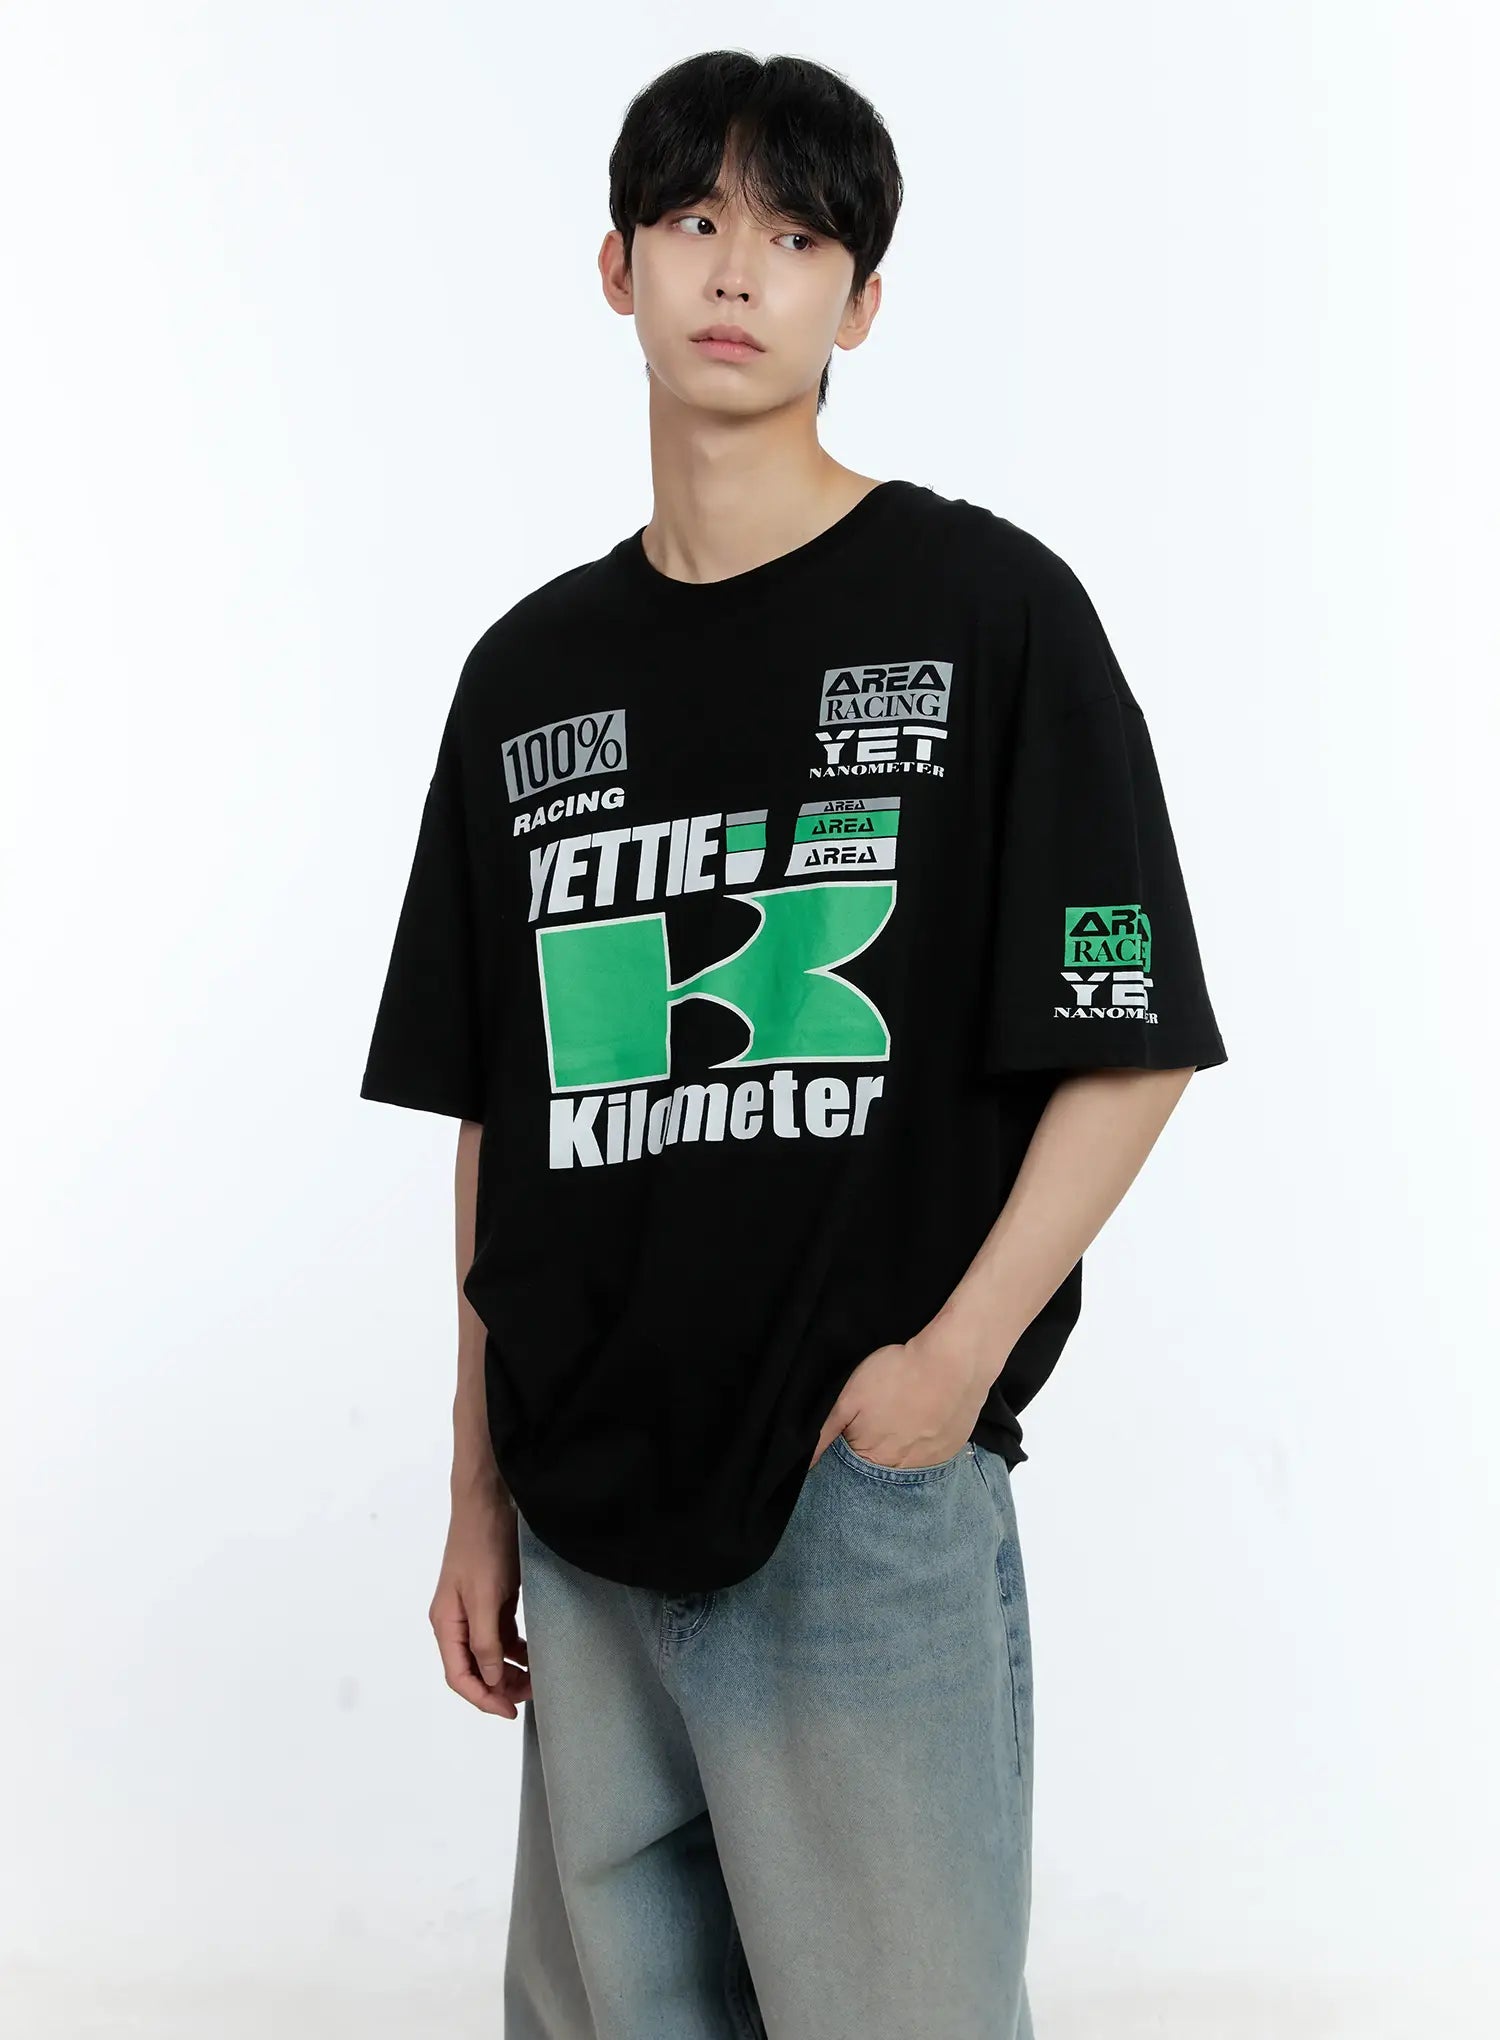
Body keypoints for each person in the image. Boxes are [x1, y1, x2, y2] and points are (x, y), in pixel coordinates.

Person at [359, 47, 1228, 2040]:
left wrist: (950, 1370)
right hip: (584, 1501)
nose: (737, 270)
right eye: (693, 221)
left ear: (864, 299)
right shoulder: (527, 679)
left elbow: (1131, 1037)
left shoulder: (989, 612)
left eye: (797, 234)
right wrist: (478, 1488)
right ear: (617, 269)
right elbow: (505, 1113)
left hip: (857, 1483)